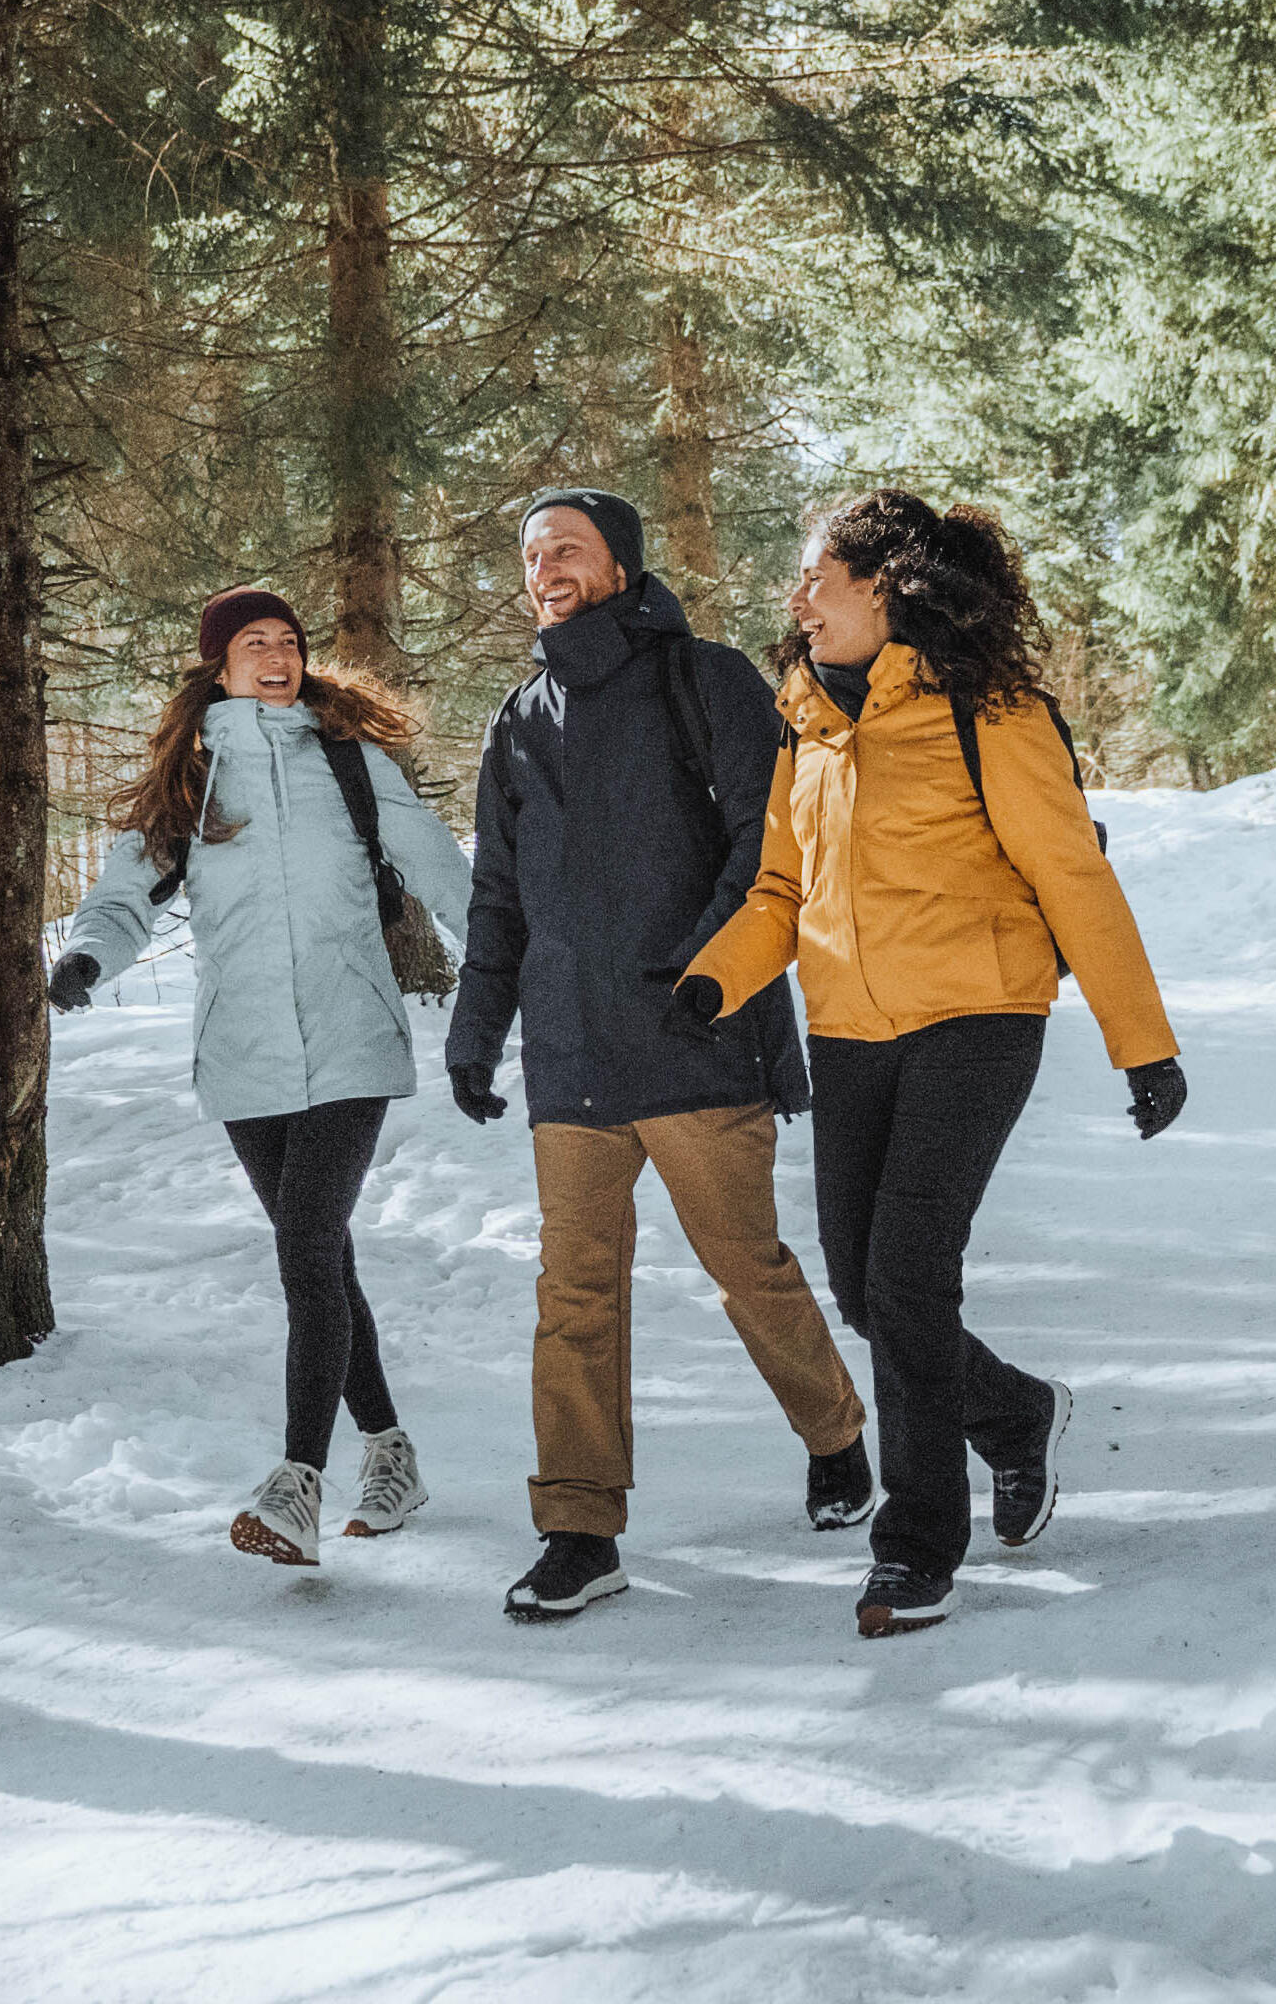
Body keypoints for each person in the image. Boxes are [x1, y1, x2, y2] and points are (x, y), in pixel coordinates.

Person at [677, 491, 1187, 1637]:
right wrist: (712, 982)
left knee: (907, 1278)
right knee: (864, 1290)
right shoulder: (803, 725)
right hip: (851, 1028)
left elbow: (1072, 878)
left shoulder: (985, 712)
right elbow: (777, 892)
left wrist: (1139, 1043)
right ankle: (1010, 1418)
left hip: (977, 1017)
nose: (796, 599)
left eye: (819, 577)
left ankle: (914, 1545)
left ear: (885, 585)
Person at [447, 488, 872, 1624]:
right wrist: (477, 1026)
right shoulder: (518, 718)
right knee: (571, 1294)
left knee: (747, 1266)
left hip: (693, 1037)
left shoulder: (706, 680)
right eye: (532, 553)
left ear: (620, 568)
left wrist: (707, 972)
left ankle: (834, 1433)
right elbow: (498, 893)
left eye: (569, 549)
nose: (546, 568)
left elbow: (760, 843)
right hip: (571, 1052)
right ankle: (577, 1526)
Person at [52, 585, 476, 1567]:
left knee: (304, 1251)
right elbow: (122, 897)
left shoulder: (351, 764)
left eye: (288, 640)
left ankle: (295, 1484)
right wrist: (86, 960)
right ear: (218, 665)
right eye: (255, 644)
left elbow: (444, 875)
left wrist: (507, 975)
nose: (277, 655)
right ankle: (392, 1452)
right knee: (321, 1257)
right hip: (243, 1058)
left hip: (350, 1044)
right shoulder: (192, 784)